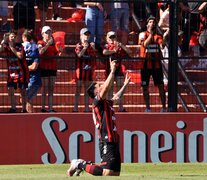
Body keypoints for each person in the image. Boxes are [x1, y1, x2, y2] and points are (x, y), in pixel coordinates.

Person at [67, 59, 131, 176]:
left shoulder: (105, 103)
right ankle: (79, 164)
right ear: (95, 92)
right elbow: (106, 88)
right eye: (98, 86)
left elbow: (116, 97)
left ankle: (84, 164)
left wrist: (125, 85)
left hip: (114, 140)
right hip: (106, 139)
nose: (101, 86)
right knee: (106, 172)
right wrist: (112, 71)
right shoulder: (97, 102)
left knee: (114, 174)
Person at [138, 16, 168, 112]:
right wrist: (150, 35)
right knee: (145, 87)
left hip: (156, 66)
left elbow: (162, 45)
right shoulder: (142, 34)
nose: (152, 24)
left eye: (154, 22)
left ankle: (163, 107)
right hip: (145, 66)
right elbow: (145, 44)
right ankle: (148, 108)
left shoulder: (158, 36)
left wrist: (165, 37)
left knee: (160, 86)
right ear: (147, 24)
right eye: (150, 22)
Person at [0, 31, 29, 113]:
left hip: (22, 73)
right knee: (10, 90)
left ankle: (24, 109)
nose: (12, 38)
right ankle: (13, 108)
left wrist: (12, 48)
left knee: (22, 92)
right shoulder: (6, 46)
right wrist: (3, 40)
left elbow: (20, 56)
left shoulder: (20, 46)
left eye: (14, 37)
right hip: (12, 73)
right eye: (11, 37)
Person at [103, 31, 132, 112]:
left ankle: (121, 107)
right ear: (107, 39)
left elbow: (129, 52)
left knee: (120, 88)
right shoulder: (106, 46)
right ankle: (109, 107)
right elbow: (104, 52)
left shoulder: (119, 47)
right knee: (109, 90)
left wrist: (122, 45)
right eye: (110, 38)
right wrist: (114, 51)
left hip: (118, 70)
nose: (112, 40)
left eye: (113, 37)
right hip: (109, 71)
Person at [37, 26, 63, 112]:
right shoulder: (40, 42)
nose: (49, 34)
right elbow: (40, 52)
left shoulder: (54, 44)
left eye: (50, 32)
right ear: (43, 34)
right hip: (44, 68)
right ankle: (43, 107)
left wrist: (60, 52)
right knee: (44, 88)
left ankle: (50, 108)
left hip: (52, 68)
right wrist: (48, 44)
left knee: (51, 89)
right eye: (47, 32)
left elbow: (57, 56)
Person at [73, 28, 97, 112]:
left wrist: (94, 49)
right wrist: (84, 48)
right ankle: (75, 108)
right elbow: (79, 55)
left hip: (89, 71)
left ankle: (86, 108)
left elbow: (95, 57)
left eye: (88, 35)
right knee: (78, 90)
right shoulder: (78, 45)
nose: (86, 37)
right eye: (85, 35)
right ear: (81, 36)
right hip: (80, 71)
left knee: (87, 90)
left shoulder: (91, 46)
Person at [22, 30, 42, 113]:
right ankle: (31, 116)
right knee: (25, 99)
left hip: (34, 80)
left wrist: (23, 68)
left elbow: (34, 66)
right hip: (28, 79)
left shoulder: (34, 50)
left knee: (25, 98)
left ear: (24, 38)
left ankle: (31, 117)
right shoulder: (23, 48)